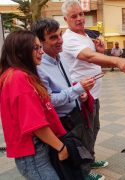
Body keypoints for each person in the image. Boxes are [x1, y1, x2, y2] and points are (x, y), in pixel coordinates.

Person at [60, 0, 125, 173]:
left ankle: (90, 159)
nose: (80, 18)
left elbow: (93, 55)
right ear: (66, 19)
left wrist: (100, 51)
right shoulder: (69, 39)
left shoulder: (85, 35)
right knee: (84, 132)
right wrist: (116, 60)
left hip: (94, 94)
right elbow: (88, 57)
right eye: (74, 16)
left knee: (94, 128)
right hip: (82, 96)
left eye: (81, 14)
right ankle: (83, 172)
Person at [31, 18, 103, 180]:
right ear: (40, 42)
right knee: (70, 159)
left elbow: (66, 84)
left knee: (82, 148)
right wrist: (77, 89)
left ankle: (84, 172)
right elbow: (49, 100)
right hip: (62, 122)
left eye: (60, 35)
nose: (60, 40)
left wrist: (79, 93)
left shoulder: (60, 56)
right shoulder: (39, 67)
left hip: (75, 113)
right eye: (53, 37)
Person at [0, 30, 68, 179]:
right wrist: (61, 147)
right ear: (21, 52)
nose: (41, 52)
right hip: (33, 154)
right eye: (36, 48)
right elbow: (35, 124)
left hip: (35, 152)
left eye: (40, 47)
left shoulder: (15, 74)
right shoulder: (18, 77)